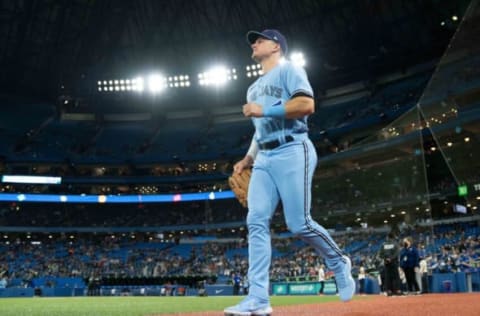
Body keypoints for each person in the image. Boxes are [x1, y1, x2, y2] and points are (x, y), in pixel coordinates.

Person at [223, 29, 355, 316]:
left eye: (260, 39)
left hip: (293, 149)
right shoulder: (252, 88)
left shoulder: (289, 70)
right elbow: (259, 132)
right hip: (265, 157)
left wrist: (264, 110)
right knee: (256, 221)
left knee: (299, 223)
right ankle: (258, 298)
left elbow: (306, 104)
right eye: (253, 41)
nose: (254, 44)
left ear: (276, 46)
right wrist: (247, 158)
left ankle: (337, 262)